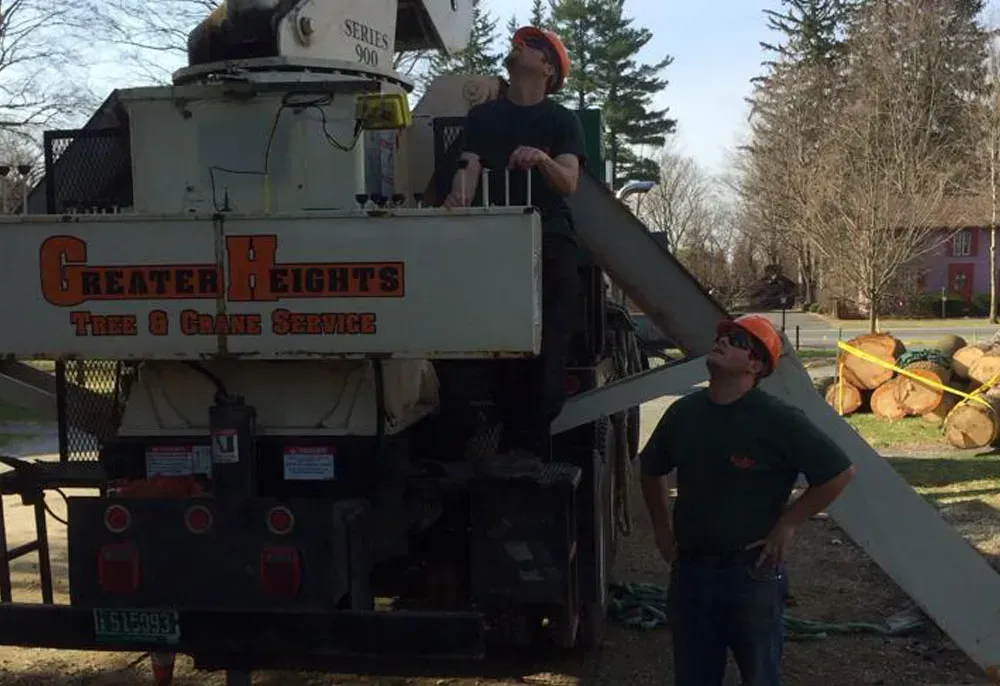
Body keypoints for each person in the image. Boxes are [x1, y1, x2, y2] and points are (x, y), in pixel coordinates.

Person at [639, 314, 857, 686]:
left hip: (751, 575)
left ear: (756, 365)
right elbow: (650, 468)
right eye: (723, 336)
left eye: (737, 341)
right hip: (691, 573)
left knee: (760, 676)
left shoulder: (777, 419)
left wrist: (789, 523)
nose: (722, 341)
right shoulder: (685, 414)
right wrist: (662, 528)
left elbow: (839, 472)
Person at [443, 26, 587, 460]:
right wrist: (458, 196)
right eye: (518, 42)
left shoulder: (562, 121)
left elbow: (569, 182)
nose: (519, 46)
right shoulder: (483, 118)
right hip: (493, 248)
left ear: (548, 69)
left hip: (549, 244)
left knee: (546, 352)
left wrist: (541, 158)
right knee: (492, 351)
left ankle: (528, 454)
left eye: (534, 46)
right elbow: (469, 166)